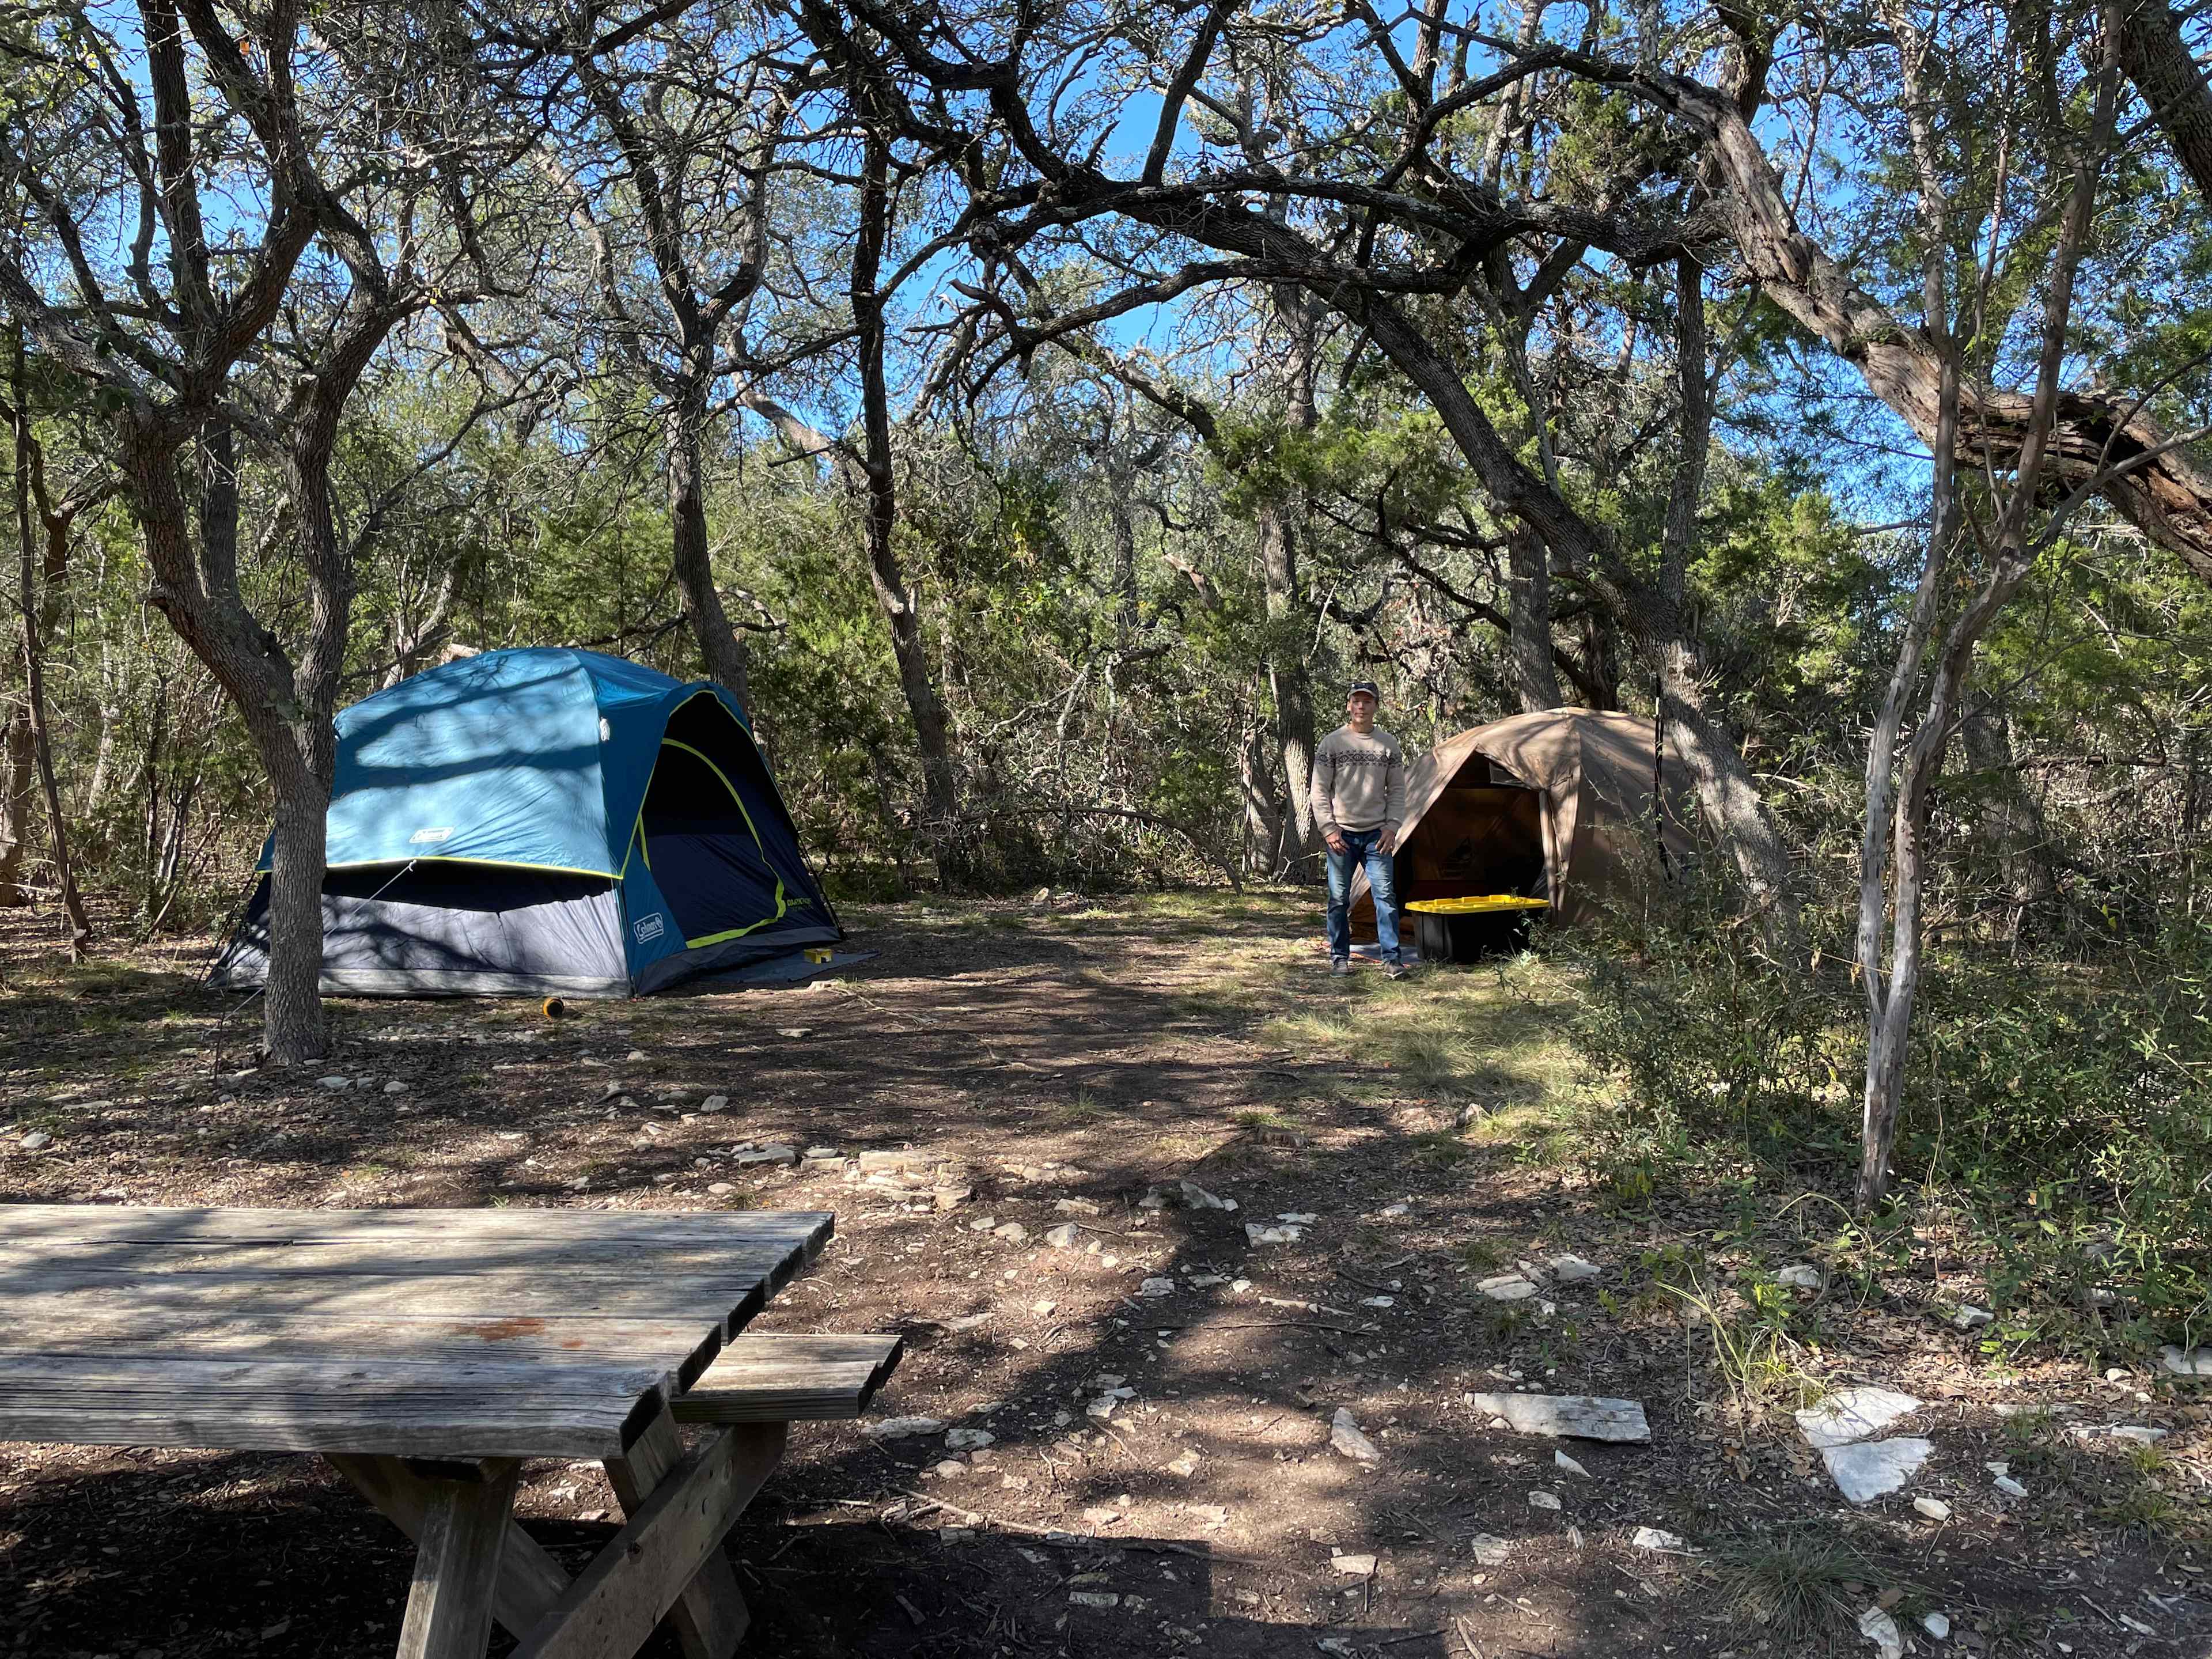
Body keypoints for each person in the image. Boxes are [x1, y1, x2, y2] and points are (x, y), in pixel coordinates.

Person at [1310, 680, 1410, 978]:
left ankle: (1392, 960)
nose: (1361, 707)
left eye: (1367, 702)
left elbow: (1398, 791)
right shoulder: (1332, 743)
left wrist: (1392, 827)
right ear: (1348, 706)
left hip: (1377, 835)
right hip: (1341, 835)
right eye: (1357, 701)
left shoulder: (1388, 745)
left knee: (1386, 897)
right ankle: (1339, 957)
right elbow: (1318, 790)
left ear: (1376, 706)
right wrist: (1329, 829)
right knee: (1338, 898)